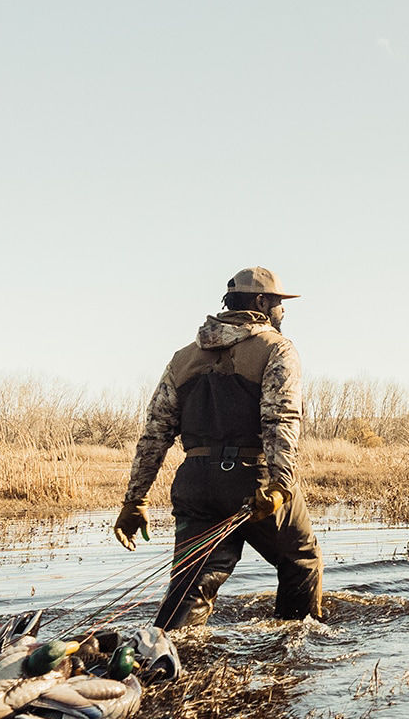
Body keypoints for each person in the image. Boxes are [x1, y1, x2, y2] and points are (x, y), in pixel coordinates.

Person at [114, 266, 324, 628]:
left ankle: (166, 654)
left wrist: (135, 500)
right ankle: (295, 643)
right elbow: (281, 419)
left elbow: (154, 434)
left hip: (196, 484)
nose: (283, 311)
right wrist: (280, 484)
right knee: (301, 559)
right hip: (253, 478)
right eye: (278, 302)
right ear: (260, 302)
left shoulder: (183, 357)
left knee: (192, 584)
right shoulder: (277, 349)